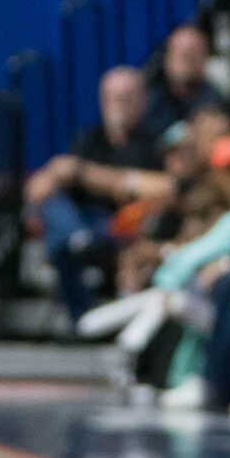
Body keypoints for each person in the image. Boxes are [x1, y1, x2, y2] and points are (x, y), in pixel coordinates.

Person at [23, 66, 170, 321]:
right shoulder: (88, 138)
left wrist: (82, 172)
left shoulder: (155, 142)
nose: (118, 105)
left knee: (69, 235)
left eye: (126, 97)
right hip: (84, 223)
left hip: (127, 228)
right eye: (112, 98)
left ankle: (78, 243)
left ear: (143, 101)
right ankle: (77, 244)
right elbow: (40, 185)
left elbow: (162, 187)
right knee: (54, 208)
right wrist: (48, 177)